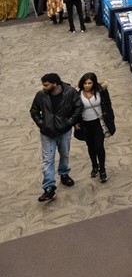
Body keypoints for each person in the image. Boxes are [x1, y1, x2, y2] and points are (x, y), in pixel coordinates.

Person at [30, 73, 82, 202]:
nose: (43, 87)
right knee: (48, 160)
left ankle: (64, 174)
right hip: (47, 133)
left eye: (46, 84)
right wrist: (41, 124)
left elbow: (78, 107)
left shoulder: (70, 92)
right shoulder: (41, 95)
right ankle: (49, 188)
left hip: (64, 131)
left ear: (55, 84)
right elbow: (34, 110)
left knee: (64, 154)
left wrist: (69, 122)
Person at [73, 72, 115, 184]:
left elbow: (108, 105)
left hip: (98, 123)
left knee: (99, 146)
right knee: (90, 146)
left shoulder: (101, 91)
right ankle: (94, 166)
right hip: (85, 124)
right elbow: (73, 109)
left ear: (94, 83)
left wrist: (111, 118)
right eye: (85, 83)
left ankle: (102, 169)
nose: (87, 85)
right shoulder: (77, 93)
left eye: (90, 83)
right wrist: (75, 122)